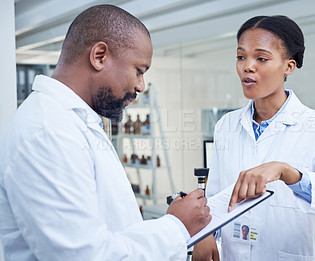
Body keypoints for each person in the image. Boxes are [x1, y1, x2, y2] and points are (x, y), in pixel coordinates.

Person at [0, 5, 211, 261]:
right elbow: (85, 255)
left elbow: (115, 229)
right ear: (99, 56)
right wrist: (176, 227)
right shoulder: (47, 131)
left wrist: (175, 226)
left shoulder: (76, 122)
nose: (140, 85)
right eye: (139, 70)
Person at [192, 15, 315, 261]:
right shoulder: (226, 125)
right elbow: (216, 196)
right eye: (241, 56)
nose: (247, 66)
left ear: (289, 66)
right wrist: (205, 233)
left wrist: (291, 176)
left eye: (261, 58)